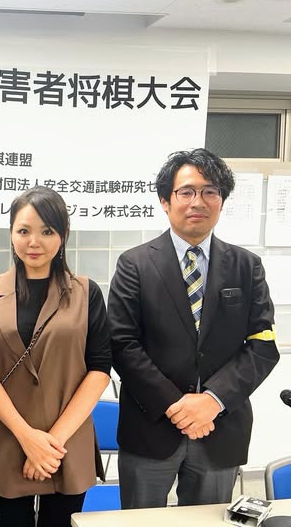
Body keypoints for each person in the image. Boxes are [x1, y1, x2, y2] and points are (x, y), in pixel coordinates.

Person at [108, 148, 279, 509]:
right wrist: (177, 406)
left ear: (222, 201)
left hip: (220, 428)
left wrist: (212, 401)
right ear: (165, 201)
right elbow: (122, 344)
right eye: (186, 192)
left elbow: (263, 344)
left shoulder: (246, 266)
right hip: (151, 427)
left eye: (209, 191)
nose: (197, 201)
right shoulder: (134, 264)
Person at [0, 186, 111, 527]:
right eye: (24, 231)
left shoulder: (86, 293)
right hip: (9, 437)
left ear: (63, 234)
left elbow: (99, 368)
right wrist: (28, 438)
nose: (34, 242)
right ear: (11, 234)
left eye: (47, 231)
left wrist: (52, 443)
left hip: (67, 442)